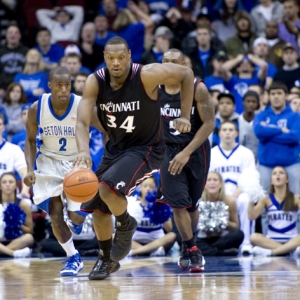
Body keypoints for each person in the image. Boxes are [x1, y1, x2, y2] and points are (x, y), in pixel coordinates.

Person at [74, 36, 195, 280]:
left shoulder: (147, 74)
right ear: (105, 59)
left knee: (107, 189)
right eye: (111, 58)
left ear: (129, 54)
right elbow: (82, 121)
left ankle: (126, 223)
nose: (116, 63)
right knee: (98, 208)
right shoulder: (95, 81)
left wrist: (184, 115)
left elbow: (185, 74)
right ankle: (106, 259)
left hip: (146, 148)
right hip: (116, 150)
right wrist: (84, 151)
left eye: (121, 57)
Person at [23, 66, 100, 276]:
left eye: (67, 85)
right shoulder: (36, 108)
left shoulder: (82, 105)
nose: (64, 90)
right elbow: (29, 141)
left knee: (77, 217)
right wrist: (30, 168)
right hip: (48, 161)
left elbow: (105, 130)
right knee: (55, 215)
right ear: (50, 86)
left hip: (77, 162)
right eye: (59, 85)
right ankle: (73, 257)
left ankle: (77, 219)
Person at [156, 49, 214, 272]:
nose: (169, 66)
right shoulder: (153, 90)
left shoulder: (198, 87)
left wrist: (187, 152)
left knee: (192, 205)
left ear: (184, 66)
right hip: (168, 151)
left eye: (174, 62)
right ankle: (191, 248)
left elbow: (209, 124)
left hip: (196, 149)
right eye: (165, 62)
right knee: (178, 203)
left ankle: (186, 241)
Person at [209, 121, 256, 254]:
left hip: (239, 192)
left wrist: (232, 196)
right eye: (224, 130)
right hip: (216, 193)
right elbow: (208, 179)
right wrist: (221, 195)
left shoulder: (246, 153)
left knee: (246, 200)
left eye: (231, 130)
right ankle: (215, 243)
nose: (228, 133)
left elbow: (249, 180)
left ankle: (246, 242)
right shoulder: (212, 153)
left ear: (236, 133)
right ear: (219, 133)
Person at [248, 166, 300, 257]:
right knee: (253, 237)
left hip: (292, 239)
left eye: (281, 172)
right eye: (274, 173)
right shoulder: (266, 199)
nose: (278, 175)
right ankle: (289, 251)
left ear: (287, 180)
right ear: (271, 181)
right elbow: (252, 216)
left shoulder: (295, 198)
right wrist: (250, 199)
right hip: (272, 241)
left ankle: (273, 252)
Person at [196, 171, 244, 256]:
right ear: (204, 184)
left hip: (222, 239)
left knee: (239, 234)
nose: (212, 183)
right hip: (203, 238)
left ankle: (209, 250)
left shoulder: (229, 201)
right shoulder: (198, 201)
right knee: (187, 240)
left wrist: (224, 222)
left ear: (221, 184)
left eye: (215, 180)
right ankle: (220, 252)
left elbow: (236, 226)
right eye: (209, 180)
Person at [127, 177, 176, 257]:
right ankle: (147, 251)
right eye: (145, 186)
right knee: (113, 236)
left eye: (151, 186)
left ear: (156, 188)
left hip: (157, 242)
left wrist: (162, 211)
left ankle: (136, 252)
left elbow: (170, 229)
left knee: (173, 235)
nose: (148, 189)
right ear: (140, 188)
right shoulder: (132, 203)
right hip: (135, 242)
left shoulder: (160, 203)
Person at [0, 172, 33, 258]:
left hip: (15, 241)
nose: (7, 185)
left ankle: (4, 251)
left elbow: (29, 230)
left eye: (11, 182)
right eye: (4, 182)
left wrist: (16, 223)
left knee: (29, 238)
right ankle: (13, 253)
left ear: (16, 186)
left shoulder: (23, 204)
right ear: (0, 186)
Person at [0, 114, 30, 198]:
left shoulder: (14, 149)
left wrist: (24, 190)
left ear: (4, 127)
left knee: (26, 204)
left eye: (0, 124)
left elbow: (25, 173)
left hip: (9, 196)